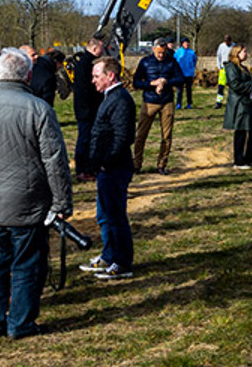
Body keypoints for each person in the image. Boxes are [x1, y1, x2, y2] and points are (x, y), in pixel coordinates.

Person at [0, 48, 74, 339]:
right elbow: (54, 160)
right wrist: (62, 202)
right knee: (25, 265)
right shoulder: (38, 109)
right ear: (28, 75)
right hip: (28, 202)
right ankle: (20, 323)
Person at [81, 56, 139, 280]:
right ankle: (108, 255)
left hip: (115, 168)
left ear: (110, 76)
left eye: (97, 76)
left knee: (115, 216)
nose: (93, 80)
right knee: (104, 215)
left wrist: (105, 161)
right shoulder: (110, 98)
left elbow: (122, 137)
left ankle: (122, 262)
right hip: (106, 169)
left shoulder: (121, 100)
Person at [132, 45, 185, 175]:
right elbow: (136, 82)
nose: (161, 55)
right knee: (141, 135)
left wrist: (166, 81)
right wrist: (151, 84)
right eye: (159, 52)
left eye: (163, 52)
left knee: (166, 136)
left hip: (167, 102)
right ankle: (136, 165)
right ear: (153, 50)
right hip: (149, 102)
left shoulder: (172, 62)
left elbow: (180, 79)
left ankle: (162, 165)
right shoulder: (145, 62)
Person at [68, 37, 105, 181]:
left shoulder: (85, 62)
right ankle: (82, 170)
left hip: (87, 108)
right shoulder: (85, 64)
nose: (103, 51)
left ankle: (90, 167)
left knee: (91, 139)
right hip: (87, 109)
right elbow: (86, 89)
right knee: (85, 140)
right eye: (101, 48)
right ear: (95, 49)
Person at [221, 44, 252, 169]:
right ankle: (238, 161)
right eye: (244, 51)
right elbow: (235, 85)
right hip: (240, 104)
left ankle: (250, 158)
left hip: (249, 103)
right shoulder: (231, 67)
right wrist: (251, 84)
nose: (246, 53)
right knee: (241, 132)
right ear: (237, 53)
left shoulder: (243, 67)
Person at [173, 39, 197, 109]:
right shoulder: (178, 52)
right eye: (185, 43)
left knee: (188, 90)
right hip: (180, 74)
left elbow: (194, 60)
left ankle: (189, 104)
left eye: (187, 43)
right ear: (182, 44)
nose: (187, 44)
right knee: (179, 90)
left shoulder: (191, 52)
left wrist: (192, 68)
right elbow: (174, 61)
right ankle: (178, 104)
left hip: (189, 74)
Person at [214, 35, 235, 108]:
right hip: (223, 68)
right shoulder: (221, 46)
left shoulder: (233, 46)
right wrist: (219, 66)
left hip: (231, 68)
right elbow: (218, 56)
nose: (227, 43)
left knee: (232, 86)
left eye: (228, 42)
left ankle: (232, 101)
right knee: (221, 86)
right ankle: (218, 102)